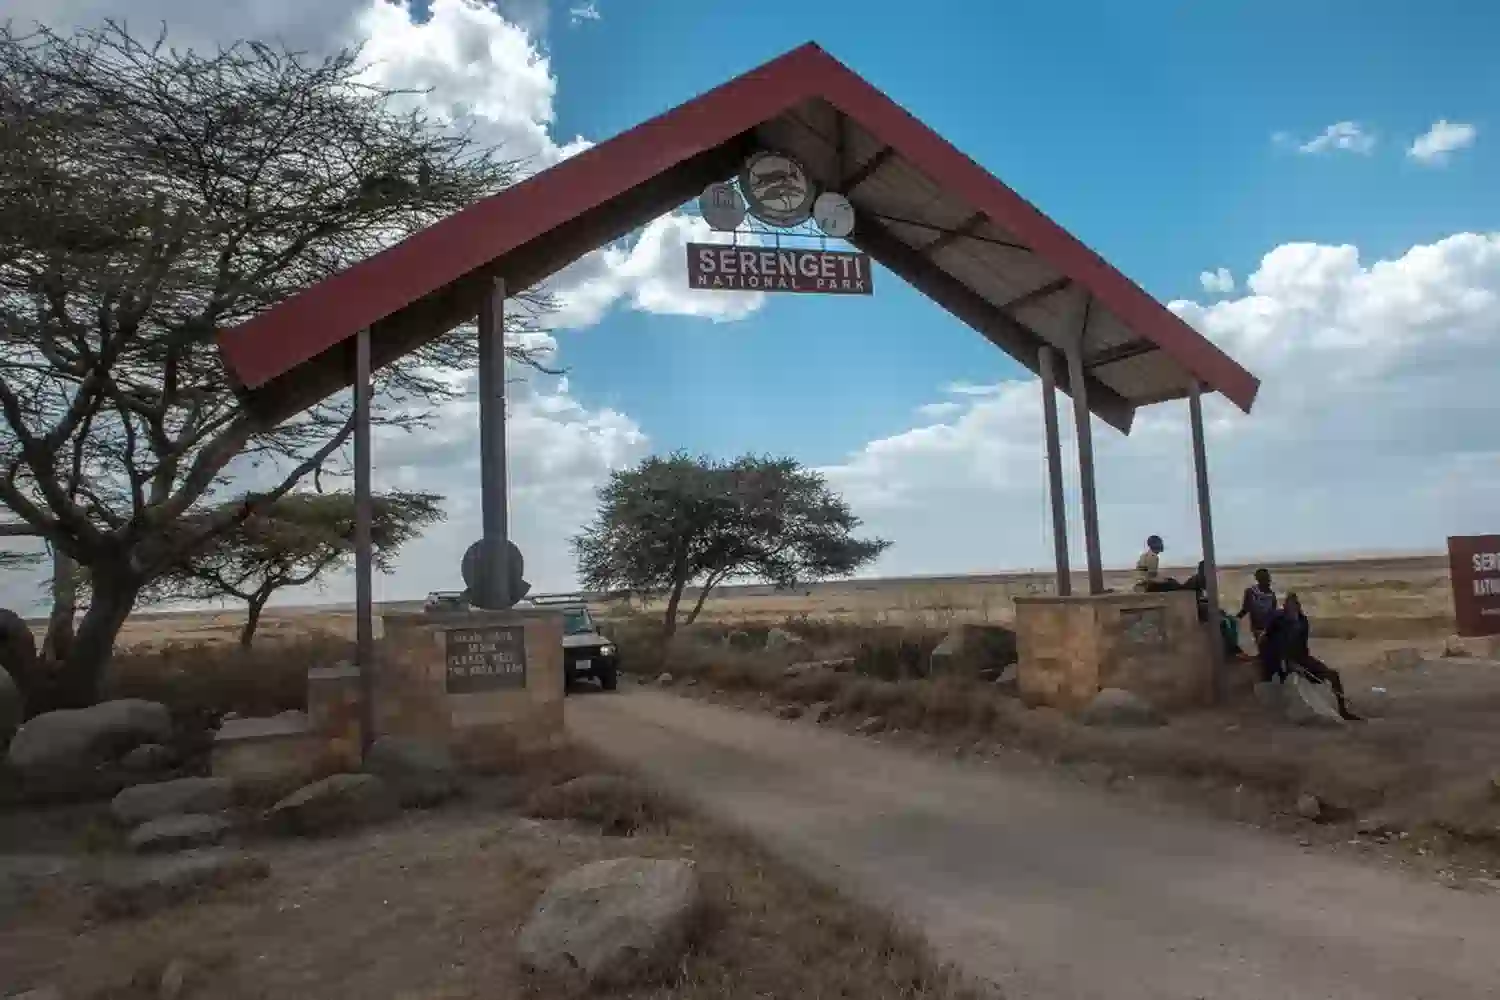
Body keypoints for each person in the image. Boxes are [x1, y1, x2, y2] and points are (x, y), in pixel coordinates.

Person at [1258, 592, 1361, 721]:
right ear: (1285, 607)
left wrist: (1302, 664)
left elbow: (1303, 646)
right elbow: (1265, 639)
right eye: (1288, 606)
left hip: (1301, 657)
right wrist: (1281, 661)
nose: (1291, 609)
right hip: (1280, 659)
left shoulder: (1302, 621)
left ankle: (1343, 711)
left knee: (1333, 675)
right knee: (1275, 683)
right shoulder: (1278, 619)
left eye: (1294, 606)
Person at [1237, 568, 1279, 644]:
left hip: (1269, 628)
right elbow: (1246, 608)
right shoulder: (1251, 592)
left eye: (1268, 577)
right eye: (1265, 577)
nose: (1268, 580)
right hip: (1258, 628)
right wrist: (1235, 619)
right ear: (1258, 579)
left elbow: (1273, 613)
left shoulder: (1272, 594)